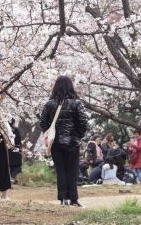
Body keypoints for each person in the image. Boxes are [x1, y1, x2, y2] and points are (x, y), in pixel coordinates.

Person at [39, 75, 89, 207]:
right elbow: (84, 122)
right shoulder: (77, 103)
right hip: (72, 142)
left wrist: (50, 132)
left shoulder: (49, 104)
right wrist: (78, 135)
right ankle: (73, 200)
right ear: (70, 86)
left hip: (55, 143)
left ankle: (63, 199)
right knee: (72, 171)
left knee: (60, 171)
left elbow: (42, 122)